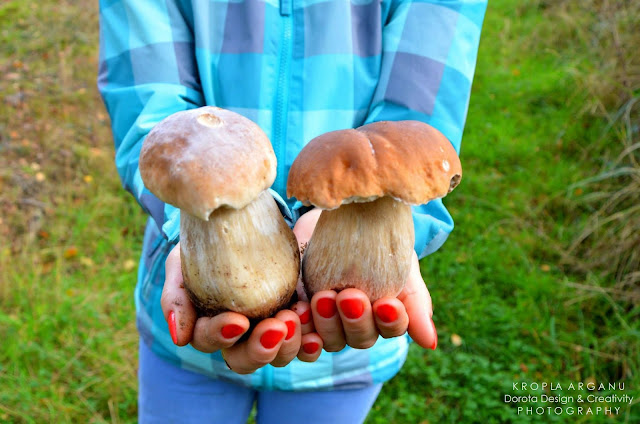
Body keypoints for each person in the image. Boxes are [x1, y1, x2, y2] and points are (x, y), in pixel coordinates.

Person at [98, 0, 487, 422]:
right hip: (185, 312)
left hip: (348, 345)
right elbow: (150, 114)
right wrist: (181, 218)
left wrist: (344, 209)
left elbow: (419, 115)